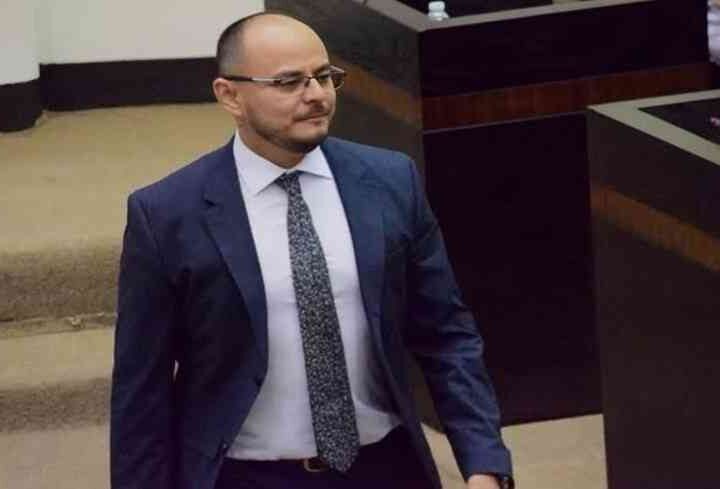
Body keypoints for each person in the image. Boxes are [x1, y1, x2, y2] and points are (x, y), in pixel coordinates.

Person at [110, 12, 513, 489]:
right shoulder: (167, 214)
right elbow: (142, 388)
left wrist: (484, 463)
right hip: (247, 477)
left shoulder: (390, 182)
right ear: (230, 95)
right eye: (288, 82)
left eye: (324, 76)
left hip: (387, 468)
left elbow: (446, 334)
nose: (317, 95)